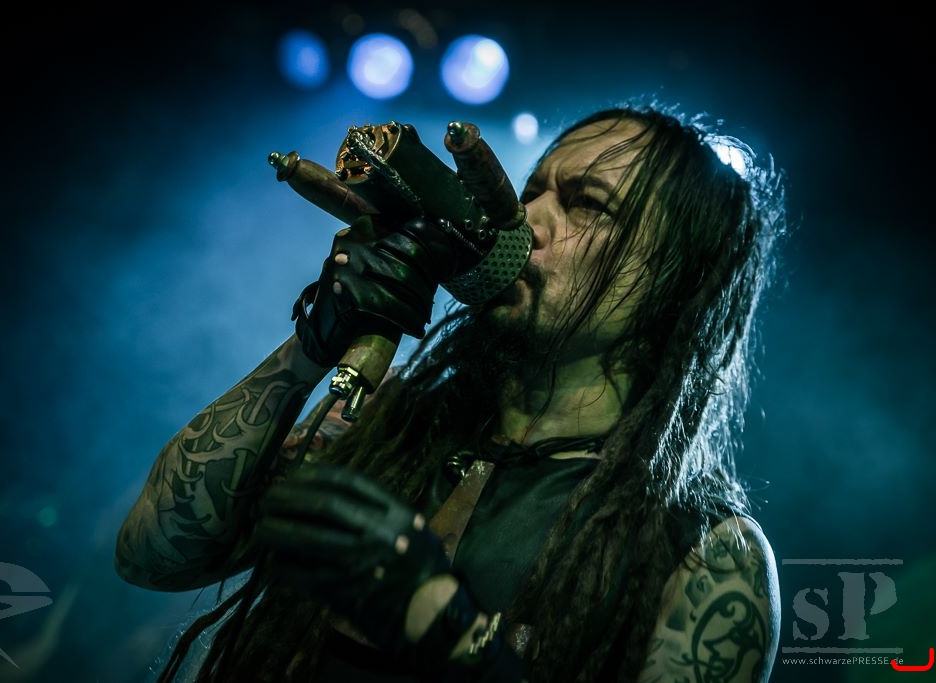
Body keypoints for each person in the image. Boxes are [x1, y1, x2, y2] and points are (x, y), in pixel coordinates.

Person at [115, 98, 789, 682]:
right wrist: (314, 343)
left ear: (676, 278)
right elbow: (152, 554)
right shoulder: (383, 429)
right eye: (529, 192)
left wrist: (449, 636)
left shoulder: (706, 552)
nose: (524, 221)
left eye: (587, 204)